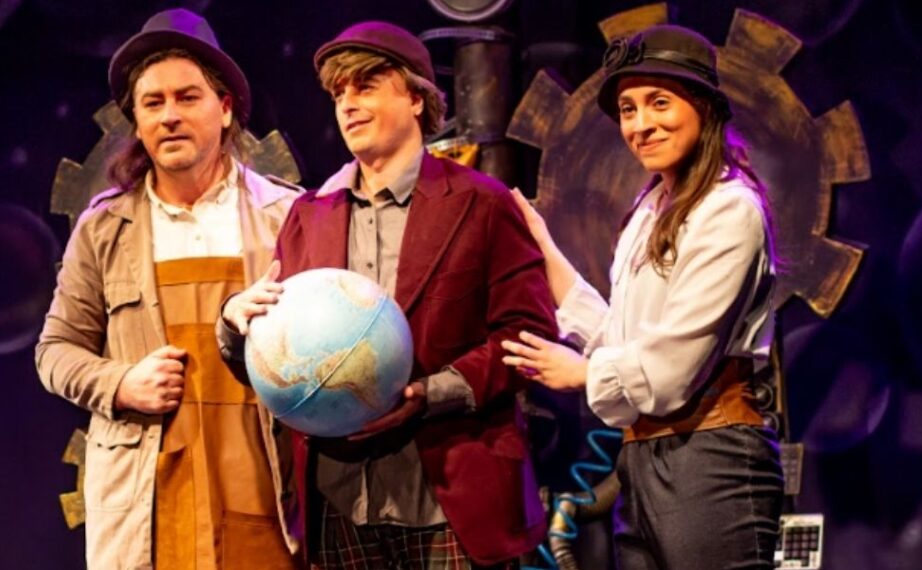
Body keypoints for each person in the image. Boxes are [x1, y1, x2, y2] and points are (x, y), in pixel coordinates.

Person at [218, 21, 556, 570]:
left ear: (417, 99)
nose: (348, 104)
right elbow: (280, 355)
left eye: (366, 86)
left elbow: (529, 334)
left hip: (449, 497)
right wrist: (236, 326)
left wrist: (432, 393)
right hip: (340, 498)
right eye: (339, 94)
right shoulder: (307, 217)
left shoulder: (483, 203)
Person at [501, 24, 784, 570]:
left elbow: (671, 369)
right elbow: (623, 339)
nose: (640, 125)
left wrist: (582, 373)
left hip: (710, 457)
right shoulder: (651, 210)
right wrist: (542, 247)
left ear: (704, 107)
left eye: (659, 103)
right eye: (628, 110)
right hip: (643, 455)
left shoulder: (728, 210)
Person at [35, 8, 301, 569]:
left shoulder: (287, 216)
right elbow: (54, 353)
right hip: (148, 503)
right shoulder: (105, 228)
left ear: (225, 109)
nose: (170, 116)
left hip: (261, 489)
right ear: (136, 121)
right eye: (152, 103)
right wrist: (121, 383)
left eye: (187, 97)